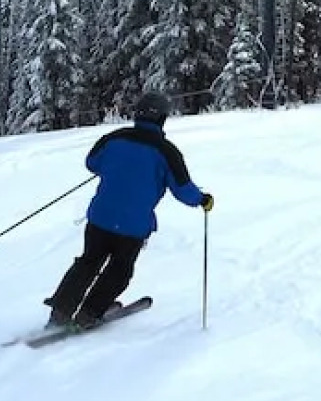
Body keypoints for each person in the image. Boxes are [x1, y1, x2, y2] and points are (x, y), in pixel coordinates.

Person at [44, 90, 214, 329]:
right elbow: (183, 190)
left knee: (88, 262)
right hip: (132, 227)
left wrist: (116, 168)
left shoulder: (114, 137)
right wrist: (203, 200)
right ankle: (89, 313)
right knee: (119, 271)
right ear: (162, 119)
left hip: (100, 218)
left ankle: (61, 311)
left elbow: (91, 162)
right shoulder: (167, 152)